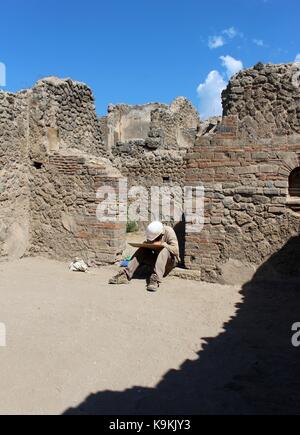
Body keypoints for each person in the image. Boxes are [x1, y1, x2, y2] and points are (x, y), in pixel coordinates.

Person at [109, 221, 180, 292]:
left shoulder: (169, 231)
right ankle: (125, 275)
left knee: (165, 250)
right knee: (143, 249)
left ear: (160, 234)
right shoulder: (152, 233)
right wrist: (148, 244)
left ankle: (155, 279)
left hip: (169, 263)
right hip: (156, 261)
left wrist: (164, 244)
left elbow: (176, 250)